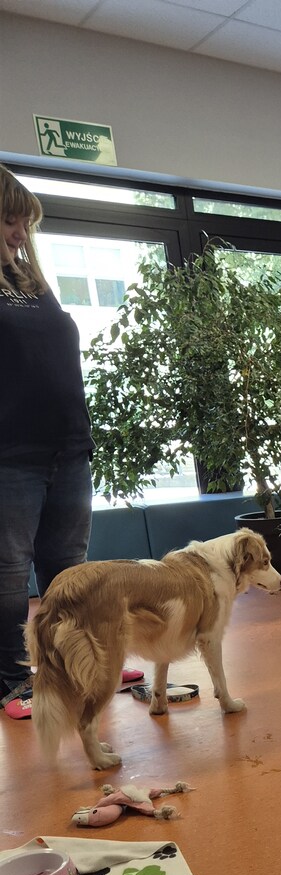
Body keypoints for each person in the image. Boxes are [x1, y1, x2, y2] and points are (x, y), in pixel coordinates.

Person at [0, 164, 141, 721]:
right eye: (8, 221)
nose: (19, 233)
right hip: (11, 457)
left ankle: (81, 664)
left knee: (69, 569)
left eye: (24, 223)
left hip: (69, 448)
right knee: (9, 572)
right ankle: (14, 679)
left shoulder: (33, 285)